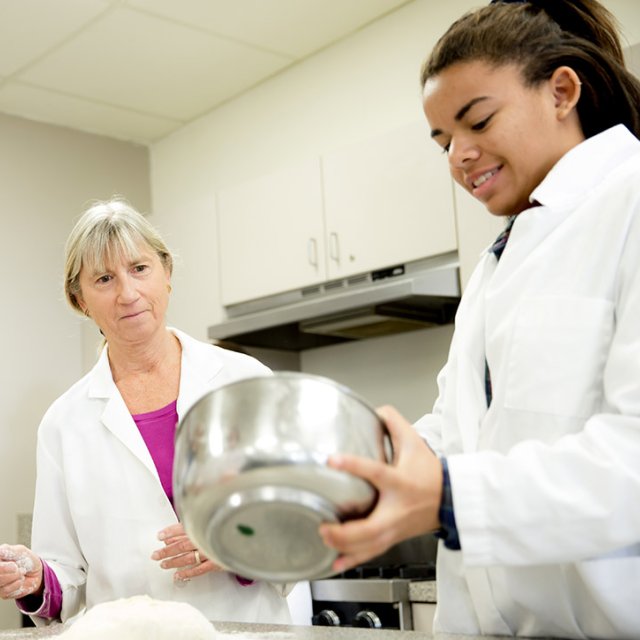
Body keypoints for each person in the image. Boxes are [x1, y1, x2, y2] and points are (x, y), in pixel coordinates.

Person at [319, 0, 640, 637]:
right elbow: (461, 426)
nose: (459, 158)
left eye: (478, 121)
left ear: (562, 91)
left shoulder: (629, 204)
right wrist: (361, 473)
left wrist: (444, 495)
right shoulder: (501, 259)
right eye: (443, 142)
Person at [0, 199, 291, 625]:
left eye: (140, 268)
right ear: (80, 300)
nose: (128, 293)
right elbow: (65, 575)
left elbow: (304, 521)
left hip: (245, 629)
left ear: (166, 273)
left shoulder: (245, 380)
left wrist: (236, 542)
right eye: (104, 278)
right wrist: (37, 578)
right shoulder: (64, 424)